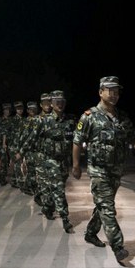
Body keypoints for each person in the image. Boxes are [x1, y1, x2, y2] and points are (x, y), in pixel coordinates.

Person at [72, 76, 135, 264]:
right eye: (110, 90)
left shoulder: (122, 117)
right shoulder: (89, 116)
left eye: (116, 91)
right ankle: (118, 247)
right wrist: (75, 165)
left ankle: (91, 233)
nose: (114, 95)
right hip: (98, 170)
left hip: (116, 171)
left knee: (103, 205)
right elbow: (76, 141)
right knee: (108, 208)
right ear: (101, 92)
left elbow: (132, 138)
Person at [37, 90, 75, 232]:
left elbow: (76, 139)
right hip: (50, 160)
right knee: (59, 189)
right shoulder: (44, 121)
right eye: (56, 102)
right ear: (51, 104)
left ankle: (47, 207)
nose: (59, 104)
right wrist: (21, 154)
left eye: (62, 102)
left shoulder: (70, 121)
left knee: (57, 189)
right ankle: (66, 219)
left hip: (64, 161)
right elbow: (32, 139)